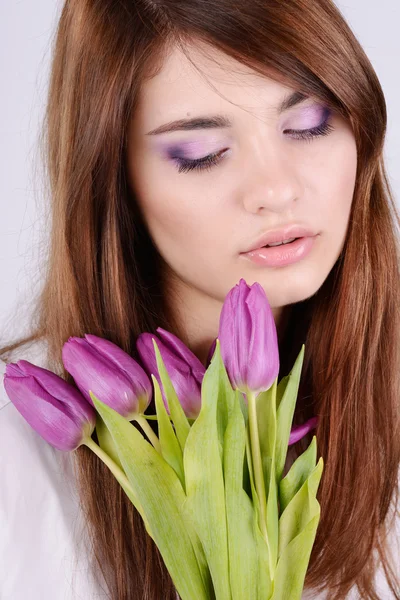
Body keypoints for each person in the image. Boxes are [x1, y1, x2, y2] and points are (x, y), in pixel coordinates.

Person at [1, 0, 399, 598]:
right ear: (113, 181)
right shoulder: (15, 463)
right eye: (201, 152)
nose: (276, 189)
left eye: (310, 123)